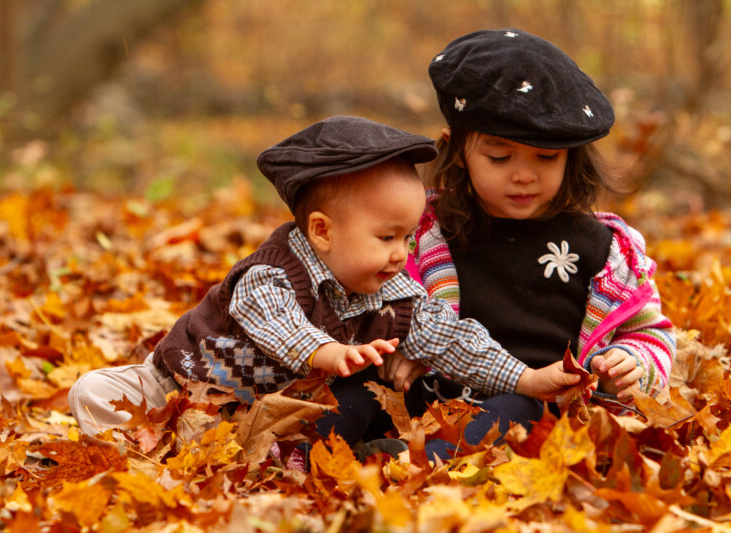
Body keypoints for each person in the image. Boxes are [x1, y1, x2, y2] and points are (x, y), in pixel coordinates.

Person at [68, 115, 584, 466]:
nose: (402, 254)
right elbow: (277, 324)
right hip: (179, 385)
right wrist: (327, 351)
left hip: (254, 413)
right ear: (322, 231)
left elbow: (452, 340)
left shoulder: (396, 293)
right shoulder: (271, 275)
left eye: (406, 237)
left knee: (339, 408)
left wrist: (528, 378)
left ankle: (228, 451)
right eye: (386, 238)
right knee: (92, 392)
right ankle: (145, 438)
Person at [386, 29, 675, 458]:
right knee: (355, 395)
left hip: (536, 408)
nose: (524, 175)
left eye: (546, 157)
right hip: (427, 400)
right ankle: (329, 451)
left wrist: (631, 363)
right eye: (499, 157)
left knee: (515, 411)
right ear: (457, 149)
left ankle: (422, 459)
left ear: (572, 155)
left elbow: (650, 331)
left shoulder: (601, 249)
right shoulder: (426, 234)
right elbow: (374, 299)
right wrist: (402, 346)